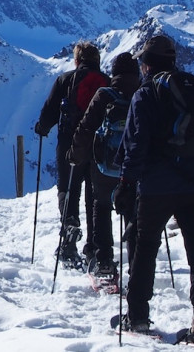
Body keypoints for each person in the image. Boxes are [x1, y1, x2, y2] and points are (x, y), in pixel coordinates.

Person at [112, 34, 194, 334]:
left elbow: (135, 145)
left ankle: (137, 316)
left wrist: (126, 183)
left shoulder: (146, 94)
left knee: (146, 249)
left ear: (146, 65)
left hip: (156, 188)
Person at [35, 41, 109, 268]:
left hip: (69, 146)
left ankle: (69, 235)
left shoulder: (65, 80)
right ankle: (95, 248)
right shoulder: (106, 83)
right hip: (99, 148)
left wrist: (42, 127)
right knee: (94, 197)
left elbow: (50, 111)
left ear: (77, 60)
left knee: (68, 190)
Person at [67, 51, 141, 281]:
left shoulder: (104, 95)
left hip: (104, 165)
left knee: (102, 206)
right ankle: (138, 267)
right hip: (136, 166)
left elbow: (86, 128)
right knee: (134, 214)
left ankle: (105, 262)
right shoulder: (143, 94)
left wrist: (74, 155)